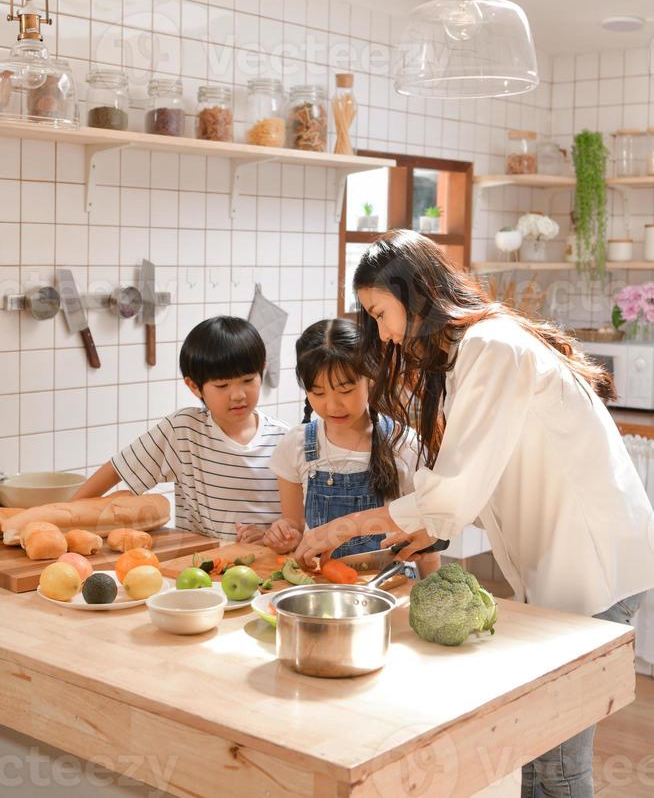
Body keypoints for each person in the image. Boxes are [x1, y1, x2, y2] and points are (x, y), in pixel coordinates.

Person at [293, 230, 654, 798]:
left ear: (418, 296)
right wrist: (428, 530)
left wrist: (344, 527)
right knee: (537, 744)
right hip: (573, 560)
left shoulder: (492, 347)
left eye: (382, 314)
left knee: (555, 758)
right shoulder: (476, 352)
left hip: (594, 562)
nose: (384, 333)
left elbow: (456, 491)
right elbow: (482, 482)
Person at [73, 316, 287, 544]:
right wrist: (65, 517)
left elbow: (299, 524)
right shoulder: (183, 430)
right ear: (194, 386)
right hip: (198, 571)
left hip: (266, 569)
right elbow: (117, 470)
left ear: (262, 371)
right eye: (222, 385)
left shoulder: (285, 440)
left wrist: (267, 537)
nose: (238, 394)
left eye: (248, 380)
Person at [264, 318, 440, 573]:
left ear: (370, 377)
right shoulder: (296, 445)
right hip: (323, 589)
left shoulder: (404, 444)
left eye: (345, 390)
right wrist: (283, 537)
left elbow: (427, 534)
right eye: (318, 393)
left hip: (390, 587)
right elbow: (293, 526)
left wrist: (432, 591)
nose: (333, 406)